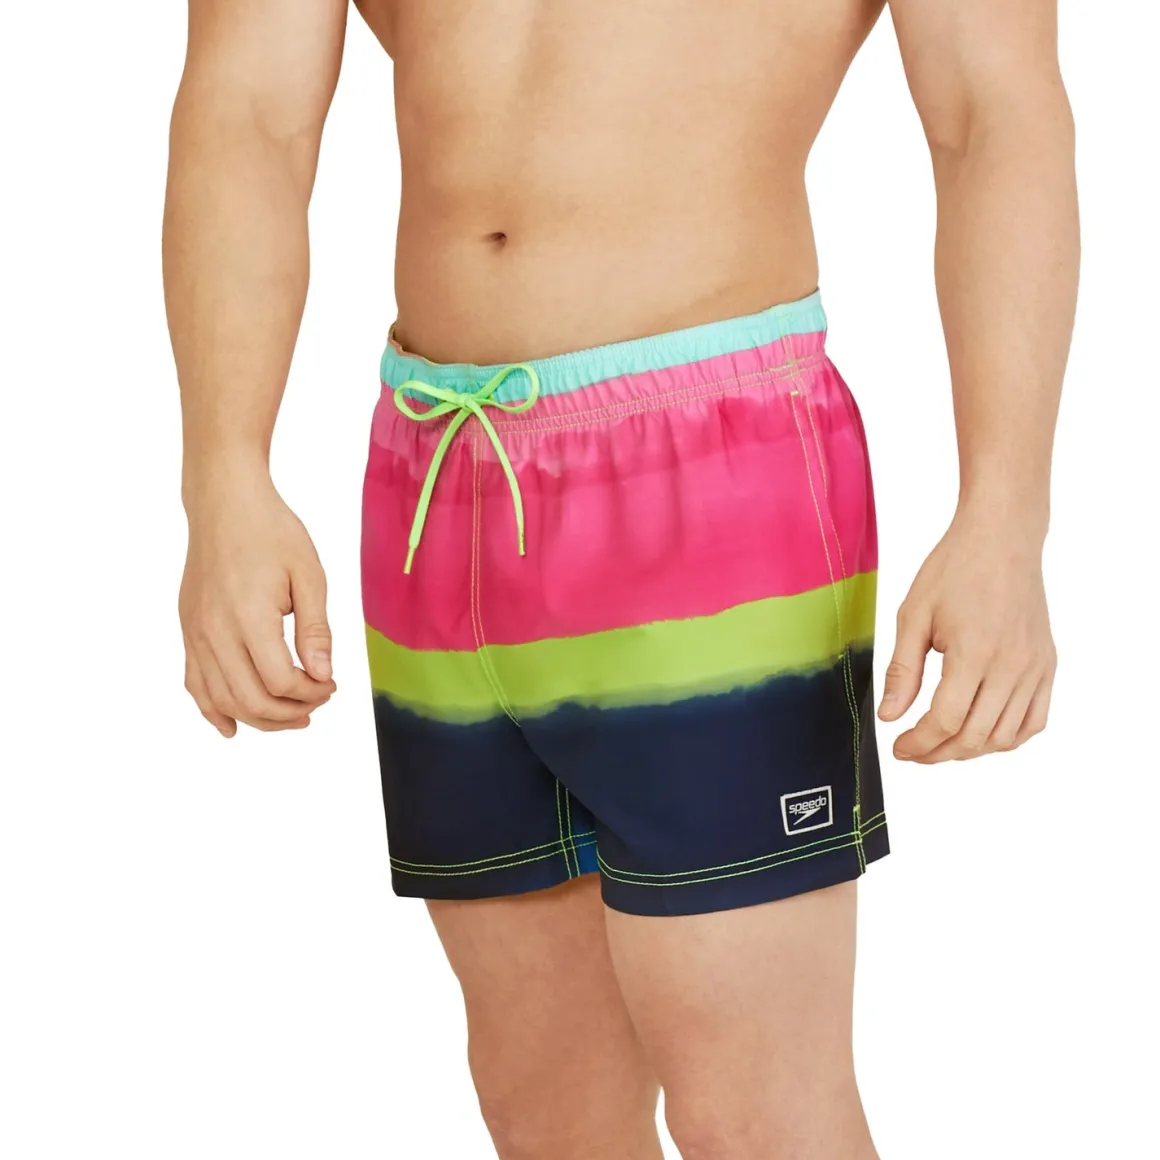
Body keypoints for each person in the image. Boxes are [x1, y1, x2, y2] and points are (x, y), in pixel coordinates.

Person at [164, 0, 1076, 1155]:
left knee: (755, 1113)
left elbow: (988, 112)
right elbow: (248, 108)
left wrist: (1004, 510)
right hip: (437, 469)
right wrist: (222, 475)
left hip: (711, 475)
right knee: (543, 1105)